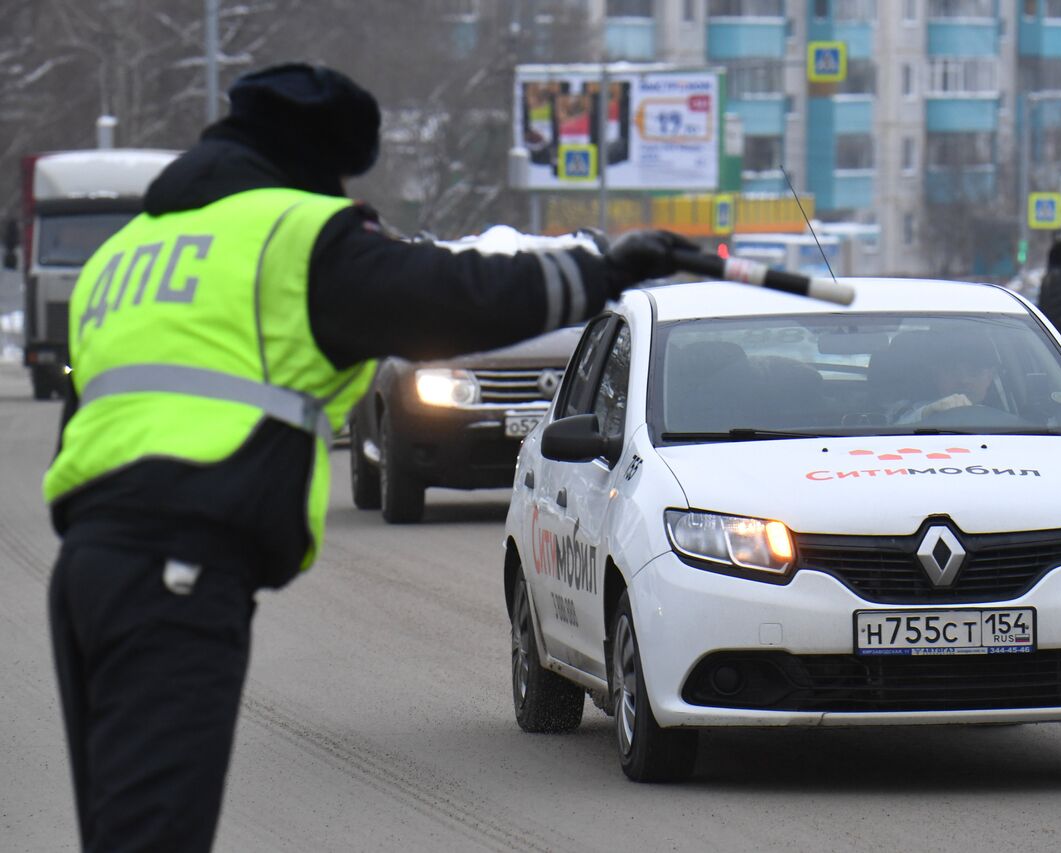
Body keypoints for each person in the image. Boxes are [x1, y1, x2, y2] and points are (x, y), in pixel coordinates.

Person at [43, 62, 693, 853]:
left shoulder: (126, 256)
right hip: (179, 571)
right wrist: (601, 270)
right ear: (315, 162)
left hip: (87, 570)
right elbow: (453, 295)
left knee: (119, 831)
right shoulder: (293, 237)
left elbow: (85, 426)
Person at [890, 333, 1000, 424]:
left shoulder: (1011, 415)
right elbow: (892, 434)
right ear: (936, 375)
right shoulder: (909, 411)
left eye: (974, 371)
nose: (964, 380)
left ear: (991, 376)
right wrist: (929, 412)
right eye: (953, 371)